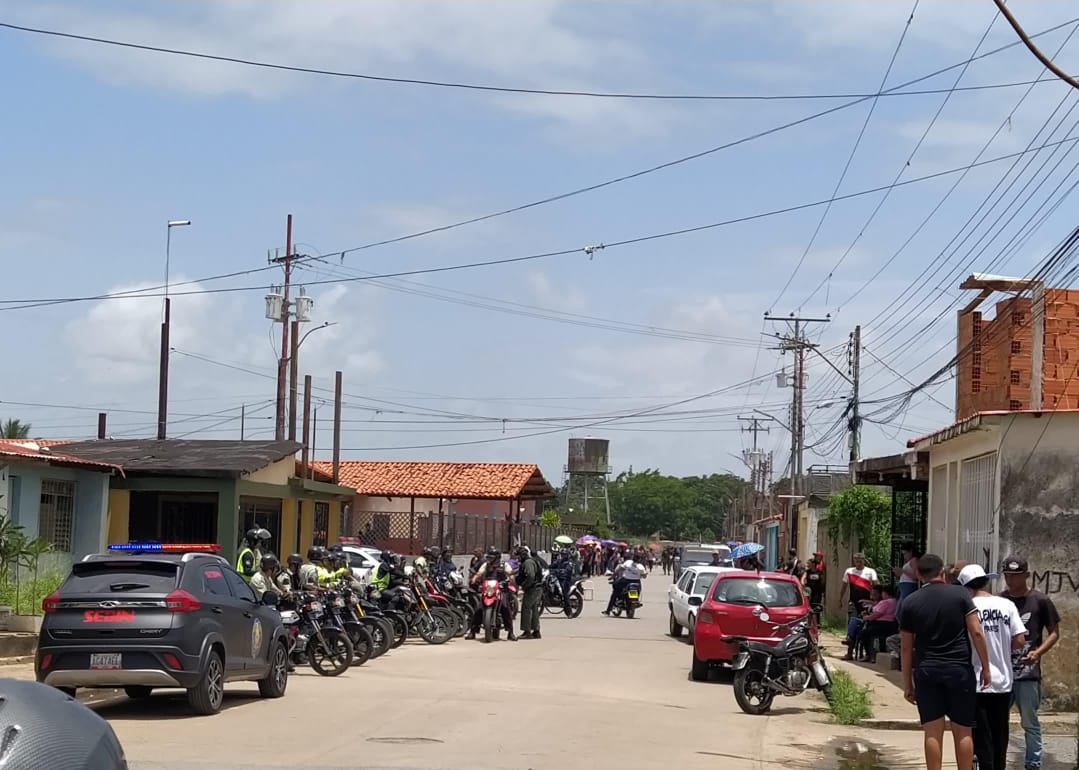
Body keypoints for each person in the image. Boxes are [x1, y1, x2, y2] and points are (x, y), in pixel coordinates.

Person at [899, 553, 991, 770]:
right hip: (959, 670)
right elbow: (976, 632)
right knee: (963, 730)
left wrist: (907, 684)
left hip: (927, 670)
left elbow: (905, 647)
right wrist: (986, 668)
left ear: (919, 576)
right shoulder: (960, 595)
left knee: (932, 730)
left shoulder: (911, 602)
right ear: (942, 572)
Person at [956, 563, 1026, 770]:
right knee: (1000, 734)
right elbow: (1020, 640)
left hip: (976, 679)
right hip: (1003, 679)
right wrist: (1003, 650)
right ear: (985, 582)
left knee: (981, 736)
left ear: (965, 587)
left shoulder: (966, 607)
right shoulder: (1007, 605)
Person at [1000, 555, 1060, 770]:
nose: (1011, 580)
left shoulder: (1040, 601)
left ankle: (1033, 763)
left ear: (1026, 575)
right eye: (1007, 575)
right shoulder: (1000, 601)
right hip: (1003, 673)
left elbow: (1054, 632)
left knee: (1030, 722)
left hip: (1028, 673)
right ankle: (997, 760)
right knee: (997, 723)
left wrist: (1038, 652)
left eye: (1016, 575)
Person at [469, 546, 516, 641]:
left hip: (501, 590)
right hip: (489, 589)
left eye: (492, 556)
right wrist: (474, 578)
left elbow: (510, 574)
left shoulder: (504, 565)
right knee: (478, 609)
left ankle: (510, 632)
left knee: (506, 608)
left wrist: (511, 579)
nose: (490, 558)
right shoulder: (486, 565)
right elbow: (479, 573)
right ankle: (472, 631)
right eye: (489, 556)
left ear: (497, 557)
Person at [839, 553, 879, 646]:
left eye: (860, 561)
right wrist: (840, 598)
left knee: (865, 623)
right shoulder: (849, 571)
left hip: (867, 602)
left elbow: (876, 586)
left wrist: (875, 600)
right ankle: (849, 641)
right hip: (853, 601)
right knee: (851, 620)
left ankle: (865, 645)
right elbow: (844, 586)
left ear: (864, 561)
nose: (858, 563)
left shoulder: (870, 572)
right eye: (856, 561)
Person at [856, 585, 898, 664]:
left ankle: (869, 654)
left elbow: (876, 615)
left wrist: (866, 617)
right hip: (890, 625)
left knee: (863, 633)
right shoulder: (895, 601)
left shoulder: (886, 602)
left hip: (882, 625)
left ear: (885, 593)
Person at [603, 551, 644, 616]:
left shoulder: (628, 562)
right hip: (636, 582)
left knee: (615, 592)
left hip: (625, 580)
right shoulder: (641, 566)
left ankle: (608, 610)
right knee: (638, 589)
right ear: (640, 559)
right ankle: (635, 600)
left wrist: (612, 576)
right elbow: (644, 576)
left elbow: (619, 569)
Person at [516, 546, 543, 640]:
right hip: (537, 588)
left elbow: (530, 576)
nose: (517, 558)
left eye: (518, 556)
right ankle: (536, 631)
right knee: (534, 609)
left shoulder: (527, 563)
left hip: (532, 589)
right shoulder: (531, 561)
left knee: (526, 609)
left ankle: (527, 632)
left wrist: (524, 585)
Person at [893, 542, 920, 622]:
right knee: (899, 608)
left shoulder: (914, 560)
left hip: (909, 586)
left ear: (910, 552)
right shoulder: (909, 562)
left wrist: (903, 571)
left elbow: (916, 576)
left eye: (905, 554)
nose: (904, 556)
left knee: (902, 609)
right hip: (904, 585)